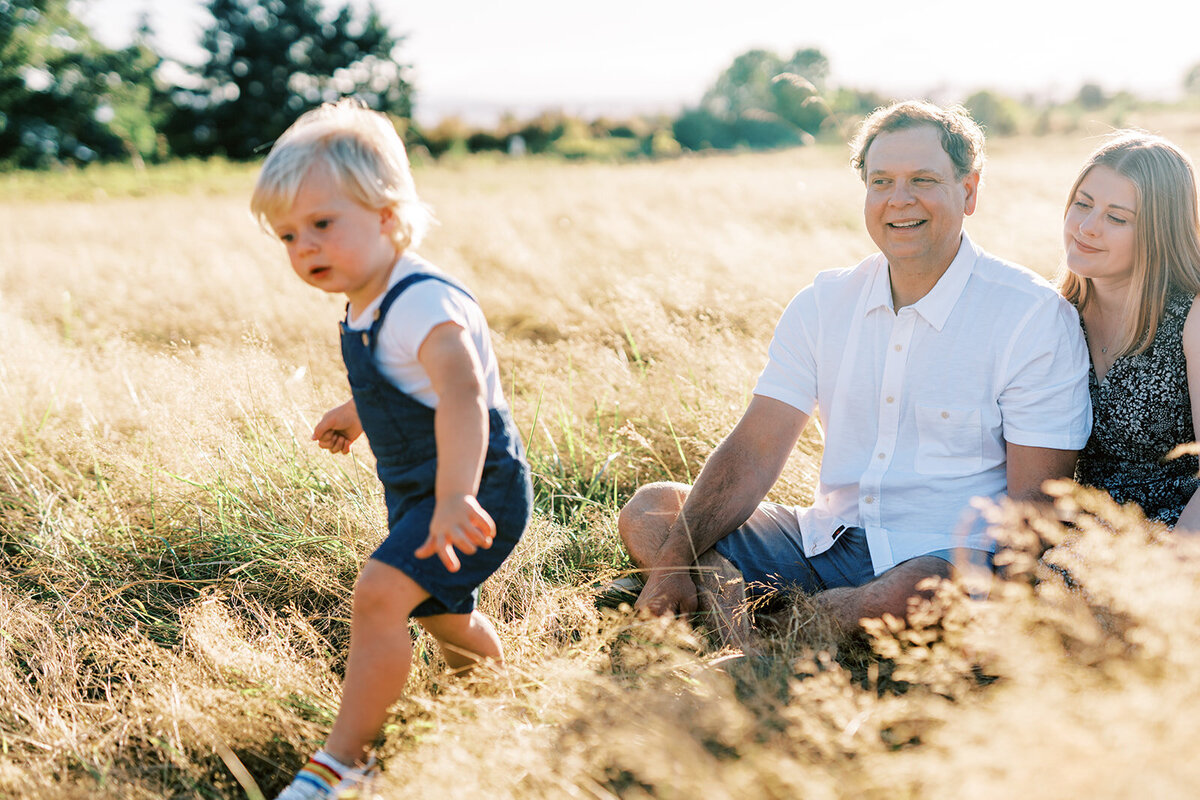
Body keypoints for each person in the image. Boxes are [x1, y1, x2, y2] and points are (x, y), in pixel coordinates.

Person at [618, 100, 1092, 644]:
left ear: (969, 190)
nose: (899, 199)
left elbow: (1034, 504)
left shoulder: (1031, 315)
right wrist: (676, 559)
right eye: (881, 181)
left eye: (923, 179)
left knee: (915, 592)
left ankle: (761, 620)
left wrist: (998, 604)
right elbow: (754, 451)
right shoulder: (823, 302)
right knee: (652, 509)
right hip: (822, 539)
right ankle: (736, 599)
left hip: (939, 558)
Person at [250, 99, 532, 799]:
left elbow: (463, 395)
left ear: (386, 215)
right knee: (441, 615)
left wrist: (455, 496)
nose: (304, 248)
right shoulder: (366, 299)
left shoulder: (419, 302)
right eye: (286, 235)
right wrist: (359, 411)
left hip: (476, 485)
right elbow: (410, 383)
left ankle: (343, 762)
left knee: (380, 595)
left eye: (320, 224)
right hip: (422, 485)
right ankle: (500, 711)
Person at [1061, 131, 1200, 530]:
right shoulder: (1049, 315)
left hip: (1178, 538)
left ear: (1160, 232)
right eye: (1082, 205)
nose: (1087, 227)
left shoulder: (1191, 317)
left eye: (1116, 218)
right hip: (1074, 539)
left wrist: (1149, 582)